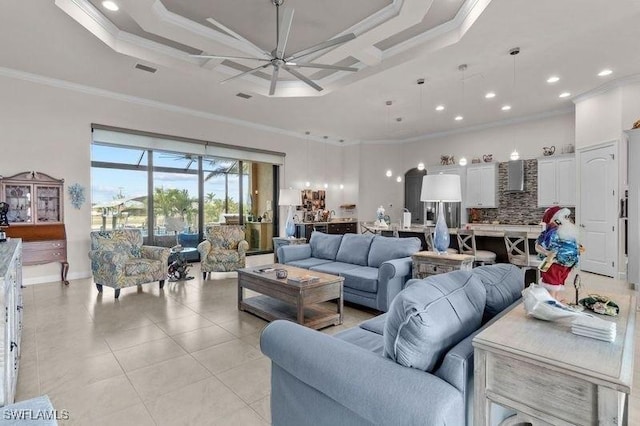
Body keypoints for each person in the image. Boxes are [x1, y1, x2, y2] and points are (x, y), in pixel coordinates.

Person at [535, 206, 582, 300]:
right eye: (565, 217)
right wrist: (547, 253)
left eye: (567, 217)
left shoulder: (566, 231)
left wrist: (577, 248)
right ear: (556, 219)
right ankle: (551, 303)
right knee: (551, 284)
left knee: (557, 283)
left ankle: (555, 300)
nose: (567, 220)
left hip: (566, 264)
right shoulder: (550, 233)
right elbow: (538, 246)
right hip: (553, 263)